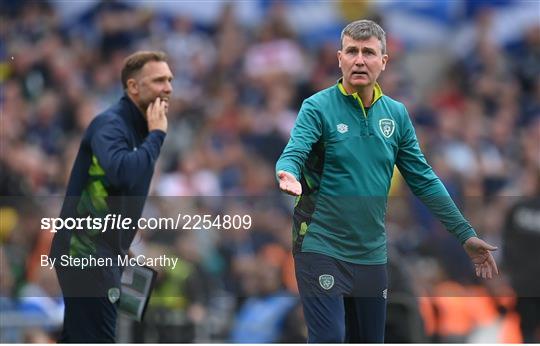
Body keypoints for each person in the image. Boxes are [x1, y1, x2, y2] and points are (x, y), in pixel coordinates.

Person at [275, 20, 498, 343]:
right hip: (320, 245)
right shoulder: (317, 107)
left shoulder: (396, 115)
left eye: (368, 52)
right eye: (352, 51)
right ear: (340, 58)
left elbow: (424, 180)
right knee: (330, 339)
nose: (359, 60)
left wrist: (465, 234)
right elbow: (293, 152)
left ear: (384, 61)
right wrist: (288, 172)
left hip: (370, 252)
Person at [49, 51, 173, 342]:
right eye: (158, 80)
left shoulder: (133, 129)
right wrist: (157, 136)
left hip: (98, 249)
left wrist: (122, 245)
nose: (168, 87)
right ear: (133, 87)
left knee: (81, 337)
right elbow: (121, 173)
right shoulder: (111, 124)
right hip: (85, 250)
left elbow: (109, 189)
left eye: (169, 79)